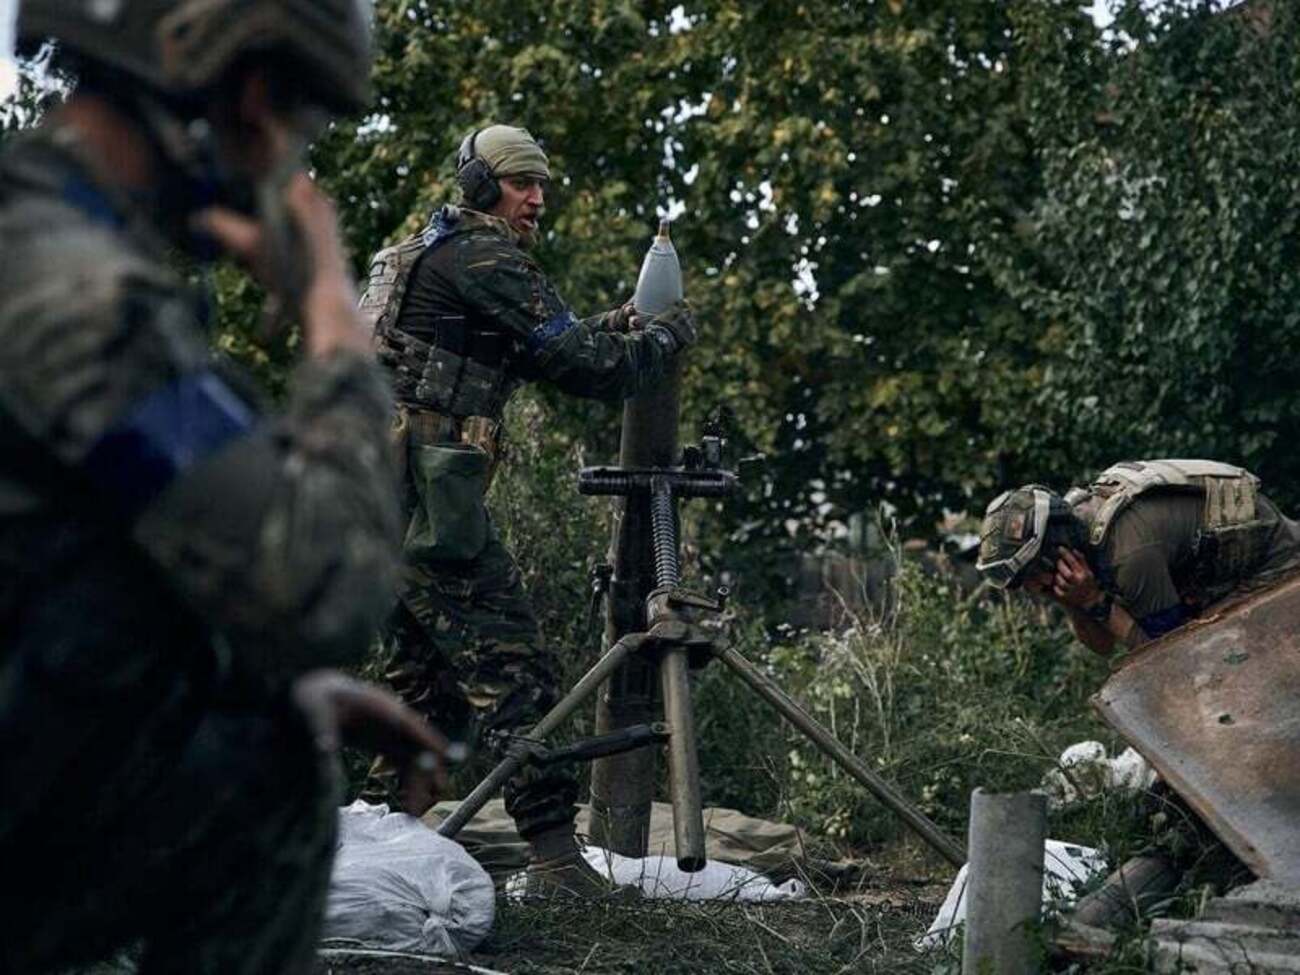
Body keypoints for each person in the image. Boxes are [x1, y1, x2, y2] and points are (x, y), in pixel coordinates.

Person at [0, 3, 449, 972]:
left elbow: (81, 560)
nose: (288, 160)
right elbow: (323, 582)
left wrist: (229, 674)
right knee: (269, 779)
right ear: (246, 96)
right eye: (301, 122)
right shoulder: (76, 296)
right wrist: (331, 319)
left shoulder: (38, 243)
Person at [358, 123, 697, 894]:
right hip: (425, 509)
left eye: (540, 184)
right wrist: (665, 339)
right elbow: (590, 369)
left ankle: (377, 854)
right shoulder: (487, 257)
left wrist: (613, 325)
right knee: (517, 675)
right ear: (481, 188)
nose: (537, 199)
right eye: (520, 184)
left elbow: (539, 344)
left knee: (423, 689)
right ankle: (553, 860)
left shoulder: (418, 253)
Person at [975, 459, 1300, 654]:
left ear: (1056, 544)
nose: (1035, 587)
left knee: (1224, 656)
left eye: (1034, 574)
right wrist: (1072, 601)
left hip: (1273, 561)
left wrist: (1094, 602)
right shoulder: (1084, 534)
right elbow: (1102, 647)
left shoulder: (1127, 555)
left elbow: (1173, 657)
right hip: (1220, 577)